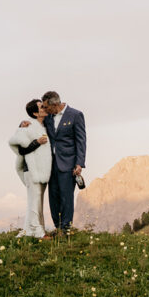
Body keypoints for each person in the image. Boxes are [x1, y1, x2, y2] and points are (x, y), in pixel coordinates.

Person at [41, 90, 85, 232]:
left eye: (46, 107)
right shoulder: (48, 117)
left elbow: (81, 141)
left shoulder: (75, 115)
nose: (44, 110)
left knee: (66, 197)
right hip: (51, 164)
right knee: (53, 196)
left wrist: (79, 163)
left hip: (68, 163)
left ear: (55, 105)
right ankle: (57, 226)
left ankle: (66, 228)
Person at [7, 99, 51, 238]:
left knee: (38, 201)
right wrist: (36, 142)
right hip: (31, 170)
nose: (44, 108)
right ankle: (37, 232)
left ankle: (33, 230)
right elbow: (21, 149)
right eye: (41, 107)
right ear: (34, 113)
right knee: (34, 200)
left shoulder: (45, 126)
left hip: (42, 170)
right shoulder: (29, 127)